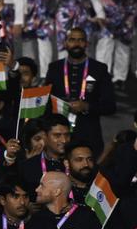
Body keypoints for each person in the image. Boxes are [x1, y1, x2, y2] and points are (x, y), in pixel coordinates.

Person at [42, 27, 116, 156]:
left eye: (81, 40)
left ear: (87, 43)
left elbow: (110, 106)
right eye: (72, 40)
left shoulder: (99, 69)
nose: (76, 44)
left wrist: (87, 106)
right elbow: (45, 101)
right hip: (60, 135)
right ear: (65, 43)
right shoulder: (54, 68)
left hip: (89, 134)